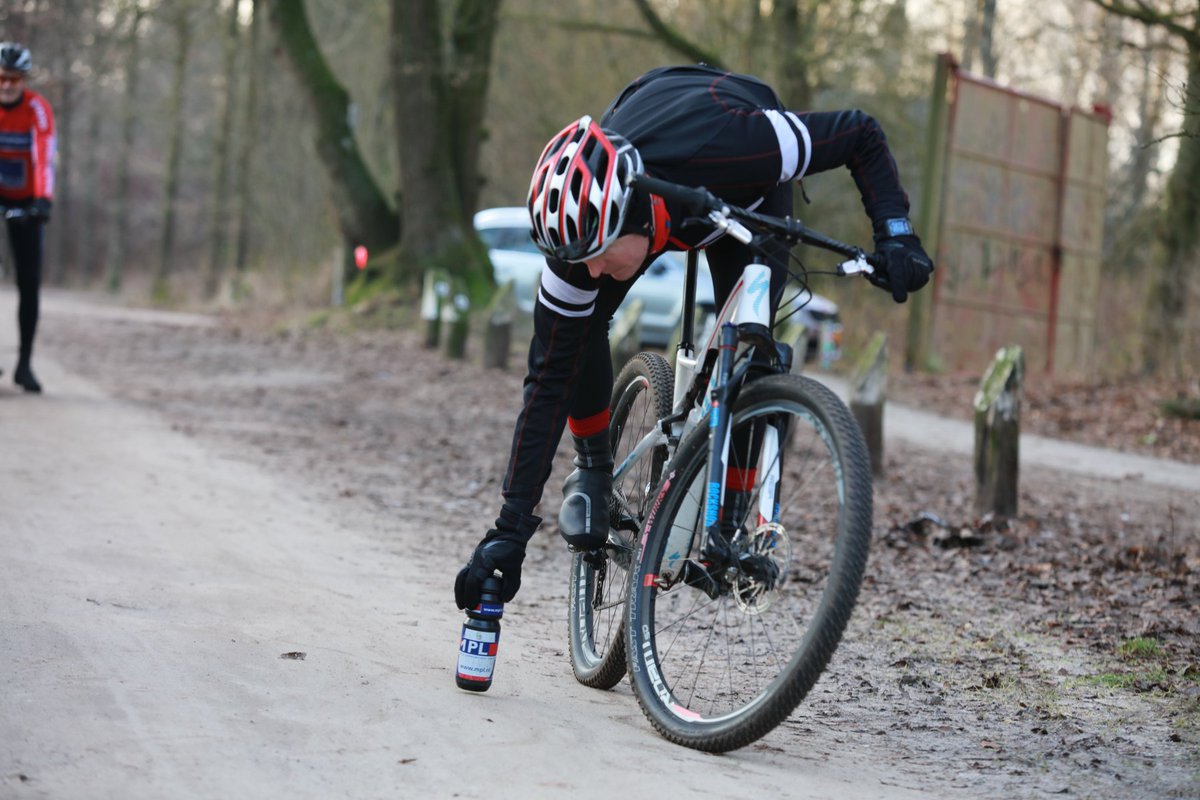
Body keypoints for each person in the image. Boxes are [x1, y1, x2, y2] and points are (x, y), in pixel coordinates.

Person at [455, 64, 933, 610]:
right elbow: (545, 384)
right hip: (645, 122)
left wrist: (895, 232)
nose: (587, 272)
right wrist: (509, 532)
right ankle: (594, 467)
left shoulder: (746, 147)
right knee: (576, 331)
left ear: (630, 222)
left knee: (753, 353)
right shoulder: (582, 232)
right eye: (575, 262)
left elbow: (860, 132)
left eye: (596, 258)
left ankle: (729, 526)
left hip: (738, 187)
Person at [0, 41, 55, 393]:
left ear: (25, 81)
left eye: (15, 80)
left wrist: (42, 201)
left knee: (29, 283)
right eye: (2, 78)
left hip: (26, 200)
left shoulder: (38, 109)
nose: (7, 86)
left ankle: (24, 364)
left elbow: (45, 156)